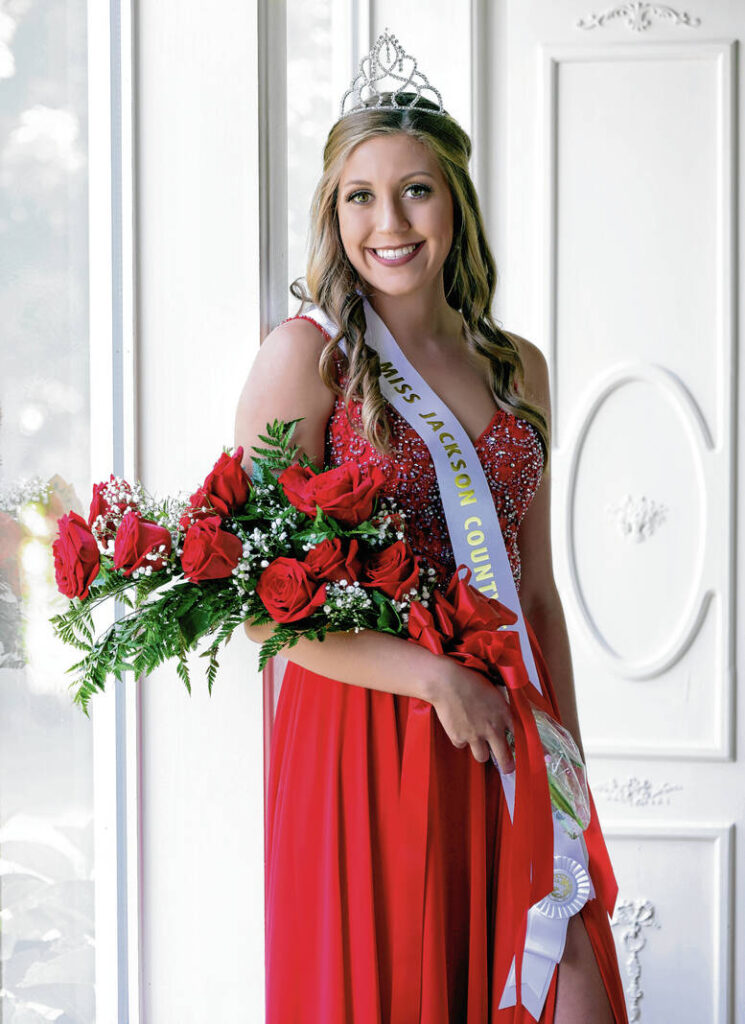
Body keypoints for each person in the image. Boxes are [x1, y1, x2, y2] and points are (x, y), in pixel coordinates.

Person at [235, 28, 629, 1024]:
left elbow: (534, 591)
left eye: (415, 188)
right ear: (333, 212)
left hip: (504, 729)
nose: (389, 221)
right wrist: (430, 676)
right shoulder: (306, 362)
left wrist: (567, 760)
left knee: (567, 983)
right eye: (360, 195)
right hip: (365, 737)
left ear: (453, 200)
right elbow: (257, 608)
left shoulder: (517, 366)